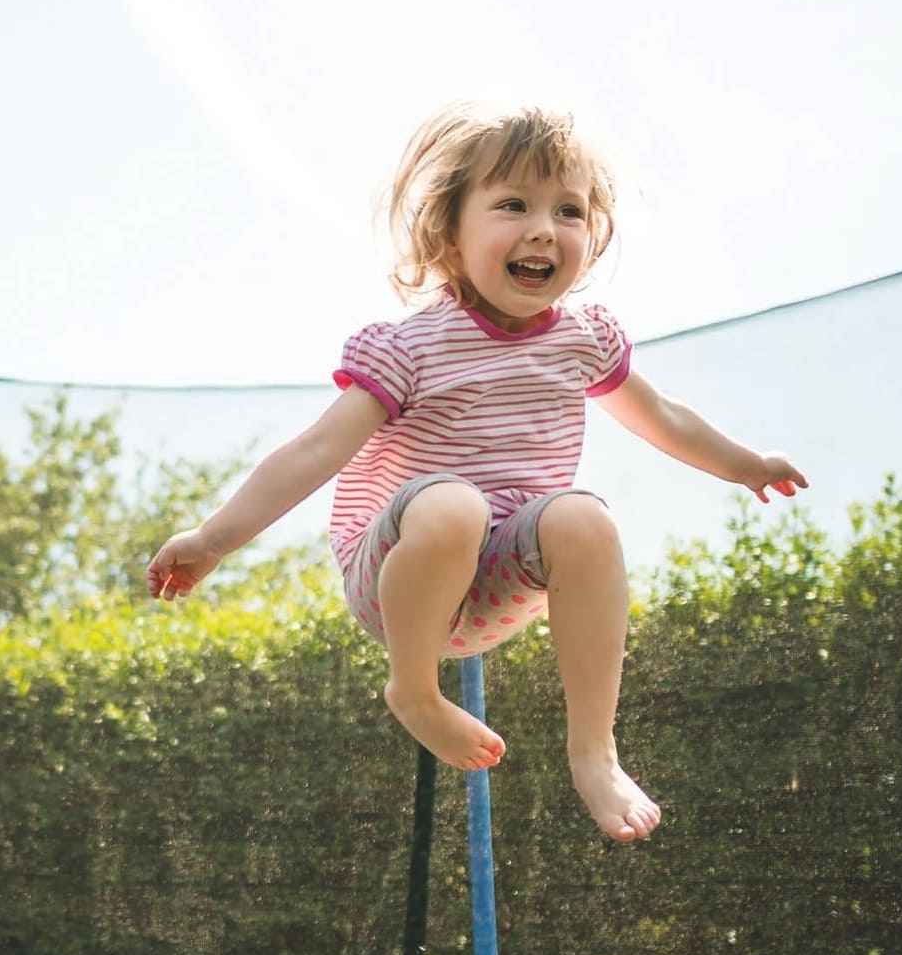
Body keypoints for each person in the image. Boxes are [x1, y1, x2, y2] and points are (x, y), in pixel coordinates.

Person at [147, 102, 807, 844]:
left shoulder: (584, 341)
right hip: (396, 578)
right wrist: (213, 537)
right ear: (450, 237)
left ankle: (594, 749)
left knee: (582, 515)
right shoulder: (412, 348)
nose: (542, 229)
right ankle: (415, 689)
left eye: (569, 210)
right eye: (513, 205)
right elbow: (313, 452)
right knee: (452, 503)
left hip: (500, 583)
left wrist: (743, 464)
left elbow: (664, 417)